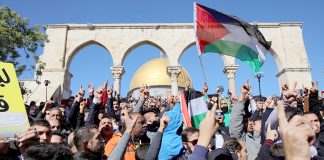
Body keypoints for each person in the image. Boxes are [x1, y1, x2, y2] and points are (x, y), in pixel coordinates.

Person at [229, 81, 261, 160]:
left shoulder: (264, 136)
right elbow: (235, 120)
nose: (250, 124)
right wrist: (242, 94)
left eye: (251, 121)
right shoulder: (242, 139)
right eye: (246, 122)